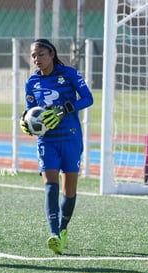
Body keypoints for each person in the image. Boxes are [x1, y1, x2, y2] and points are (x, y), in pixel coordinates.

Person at [20, 39, 93, 255]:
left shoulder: (69, 74)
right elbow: (30, 109)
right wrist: (25, 121)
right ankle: (53, 234)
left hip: (70, 139)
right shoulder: (31, 82)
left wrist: (65, 109)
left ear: (51, 54)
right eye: (34, 56)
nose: (37, 60)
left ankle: (62, 231)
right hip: (47, 141)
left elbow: (88, 99)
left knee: (69, 191)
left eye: (41, 54)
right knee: (50, 185)